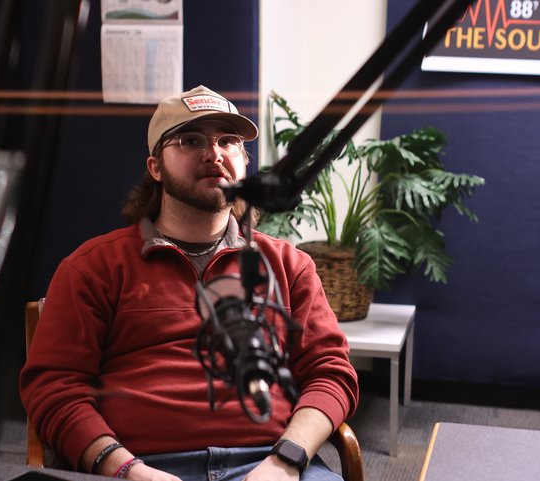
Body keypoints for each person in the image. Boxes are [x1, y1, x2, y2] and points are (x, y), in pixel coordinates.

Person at [20, 85, 359, 481]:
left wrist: (286, 460)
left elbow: (331, 372)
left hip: (268, 461)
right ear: (155, 167)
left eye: (228, 141)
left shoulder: (288, 265)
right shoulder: (92, 268)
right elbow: (54, 388)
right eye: (190, 140)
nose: (214, 153)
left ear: (244, 163)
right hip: (136, 466)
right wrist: (126, 468)